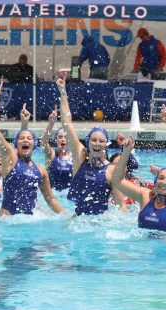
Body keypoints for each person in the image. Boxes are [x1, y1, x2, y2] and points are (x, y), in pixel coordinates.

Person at [0, 82, 64, 216]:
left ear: (34, 145)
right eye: (22, 139)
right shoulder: (10, 158)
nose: (25, 140)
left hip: (29, 223)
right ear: (16, 144)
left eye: (29, 139)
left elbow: (51, 199)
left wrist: (66, 215)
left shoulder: (41, 170)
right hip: (8, 220)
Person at [56, 78, 125, 215]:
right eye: (94, 140)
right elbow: (67, 124)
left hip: (99, 224)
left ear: (106, 144)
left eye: (101, 141)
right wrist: (63, 93)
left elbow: (121, 206)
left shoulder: (111, 170)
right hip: (78, 221)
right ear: (88, 142)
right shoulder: (81, 158)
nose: (97, 144)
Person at [111, 137, 166, 234]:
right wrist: (126, 151)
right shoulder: (145, 196)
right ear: (155, 181)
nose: (164, 182)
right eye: (161, 178)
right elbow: (117, 181)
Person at [39, 106, 73, 191]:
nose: (63, 139)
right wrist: (51, 123)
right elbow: (43, 144)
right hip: (52, 196)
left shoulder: (74, 157)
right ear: (56, 140)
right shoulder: (51, 154)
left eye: (66, 137)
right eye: (60, 137)